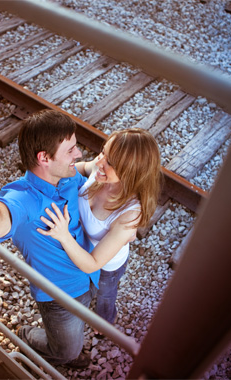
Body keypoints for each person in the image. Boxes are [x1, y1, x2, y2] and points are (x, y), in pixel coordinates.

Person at [0, 109, 98, 368]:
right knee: (67, 351)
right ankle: (29, 336)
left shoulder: (67, 177)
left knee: (77, 330)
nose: (78, 154)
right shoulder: (26, 198)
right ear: (44, 158)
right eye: (71, 150)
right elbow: (3, 211)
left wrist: (97, 166)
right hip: (60, 297)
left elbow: (82, 168)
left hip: (90, 276)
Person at [37, 128, 162, 331]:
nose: (100, 161)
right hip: (81, 248)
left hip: (106, 267)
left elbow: (93, 264)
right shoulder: (100, 169)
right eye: (104, 151)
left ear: (131, 171)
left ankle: (105, 323)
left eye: (110, 162)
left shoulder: (130, 213)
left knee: (105, 294)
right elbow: (74, 170)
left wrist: (63, 235)